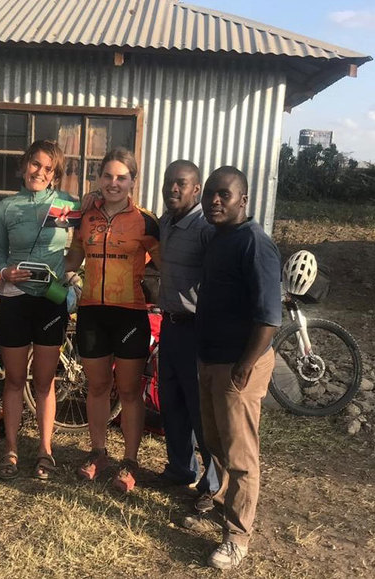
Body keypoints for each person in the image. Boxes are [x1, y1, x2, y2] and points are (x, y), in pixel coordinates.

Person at [194, 166, 282, 569]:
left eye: (223, 194)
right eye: (210, 193)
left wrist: (245, 367)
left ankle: (237, 537)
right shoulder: (217, 237)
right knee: (214, 442)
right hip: (211, 358)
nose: (214, 200)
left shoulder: (255, 243)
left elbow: (269, 317)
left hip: (238, 365)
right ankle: (218, 508)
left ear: (242, 200)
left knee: (240, 453)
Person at [65, 148, 161, 493]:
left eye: (122, 177)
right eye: (107, 176)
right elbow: (76, 252)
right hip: (92, 311)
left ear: (133, 181)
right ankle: (98, 453)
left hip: (130, 314)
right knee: (97, 387)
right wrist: (68, 271)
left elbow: (164, 264)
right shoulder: (87, 216)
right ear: (99, 179)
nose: (113, 183)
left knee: (130, 390)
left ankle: (130, 460)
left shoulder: (147, 221)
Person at [0, 139, 73, 480]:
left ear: (55, 175)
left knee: (44, 382)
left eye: (48, 168)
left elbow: (84, 243)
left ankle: (45, 450)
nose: (40, 172)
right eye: (35, 164)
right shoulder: (6, 207)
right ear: (24, 165)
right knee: (12, 380)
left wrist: (73, 275)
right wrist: (4, 272)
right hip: (14, 298)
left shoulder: (69, 204)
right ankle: (10, 449)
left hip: (51, 301)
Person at [155, 160, 220, 508]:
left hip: (196, 329)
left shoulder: (205, 228)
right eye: (169, 182)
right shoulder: (166, 222)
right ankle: (181, 468)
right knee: (173, 403)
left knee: (201, 410)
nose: (173, 189)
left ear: (196, 190)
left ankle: (212, 484)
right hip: (169, 326)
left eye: (181, 184)